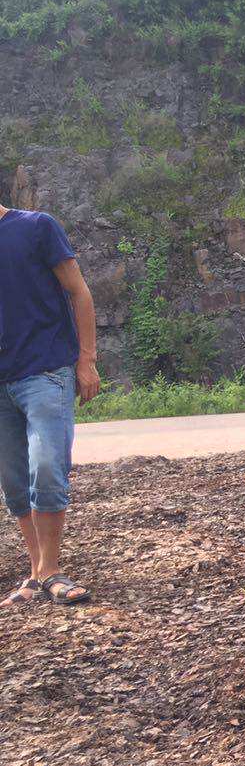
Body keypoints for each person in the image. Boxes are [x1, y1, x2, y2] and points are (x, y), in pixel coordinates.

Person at [0, 202, 101, 606]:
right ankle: (37, 571)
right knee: (13, 481)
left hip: (46, 371)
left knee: (46, 466)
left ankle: (52, 569)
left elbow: (79, 292)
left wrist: (86, 359)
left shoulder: (37, 227)